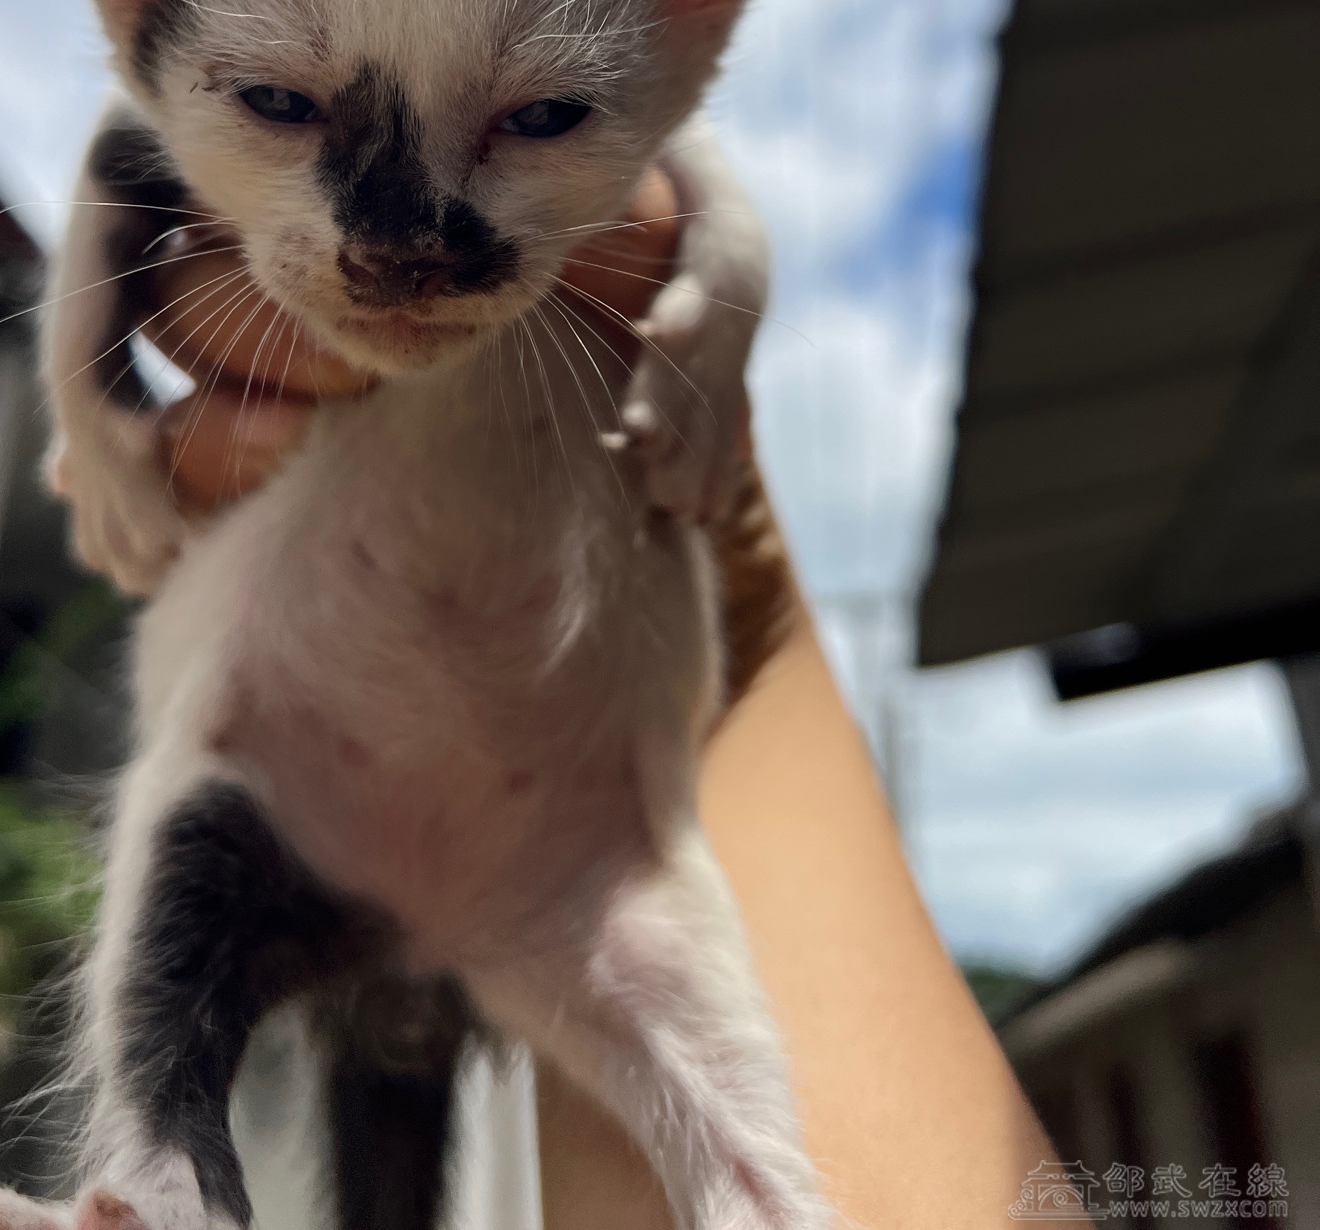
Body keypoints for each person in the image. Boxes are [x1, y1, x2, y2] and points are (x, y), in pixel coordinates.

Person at [96, 167, 1056, 1230]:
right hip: (354, 735)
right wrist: (92, 419)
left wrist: (747, 624)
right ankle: (157, 1178)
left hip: (546, 763)